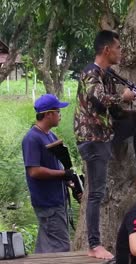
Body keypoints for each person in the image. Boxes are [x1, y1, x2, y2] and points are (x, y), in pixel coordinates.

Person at [74, 30, 136, 259]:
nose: (121, 52)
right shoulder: (92, 72)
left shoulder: (106, 74)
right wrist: (124, 97)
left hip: (101, 137)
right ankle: (94, 246)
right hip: (91, 138)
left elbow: (116, 110)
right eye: (118, 48)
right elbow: (97, 97)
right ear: (107, 49)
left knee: (98, 192)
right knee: (96, 193)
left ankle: (95, 244)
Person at [22, 94, 75, 253]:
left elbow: (55, 166)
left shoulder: (50, 136)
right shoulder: (32, 139)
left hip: (57, 200)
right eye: (58, 111)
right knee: (61, 247)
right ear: (48, 114)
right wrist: (62, 174)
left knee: (45, 248)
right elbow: (34, 171)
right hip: (48, 203)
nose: (60, 115)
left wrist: (69, 181)